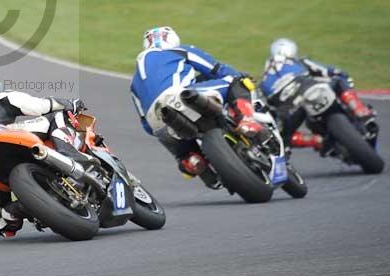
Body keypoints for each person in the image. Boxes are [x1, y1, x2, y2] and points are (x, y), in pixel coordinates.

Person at [0, 70, 88, 238]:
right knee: (57, 117)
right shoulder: (0, 96)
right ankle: (71, 157)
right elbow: (38, 106)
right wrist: (71, 104)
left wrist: (4, 220)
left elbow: (7, 232)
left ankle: (14, 211)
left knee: (4, 223)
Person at [130, 26, 265, 188]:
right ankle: (246, 120)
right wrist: (241, 76)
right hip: (181, 96)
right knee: (235, 82)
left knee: (179, 148)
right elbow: (217, 70)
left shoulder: (134, 82)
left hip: (157, 121)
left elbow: (146, 124)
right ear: (172, 39)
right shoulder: (180, 51)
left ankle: (192, 161)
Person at [260, 38, 375, 150]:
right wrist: (345, 77)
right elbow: (330, 71)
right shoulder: (300, 62)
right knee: (339, 81)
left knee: (283, 137)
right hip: (310, 88)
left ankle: (315, 141)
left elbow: (271, 108)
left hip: (291, 108)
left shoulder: (264, 81)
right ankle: (359, 110)